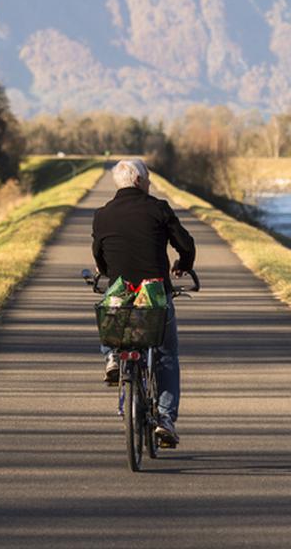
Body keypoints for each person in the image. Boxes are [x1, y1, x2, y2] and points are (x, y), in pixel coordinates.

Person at [91, 158, 195, 446]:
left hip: (121, 292)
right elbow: (185, 244)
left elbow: (98, 253)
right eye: (148, 179)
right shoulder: (158, 209)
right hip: (155, 294)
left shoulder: (102, 214)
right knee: (165, 355)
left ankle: (112, 355)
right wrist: (183, 264)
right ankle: (164, 418)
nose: (150, 184)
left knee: (109, 309)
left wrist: (107, 269)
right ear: (139, 181)